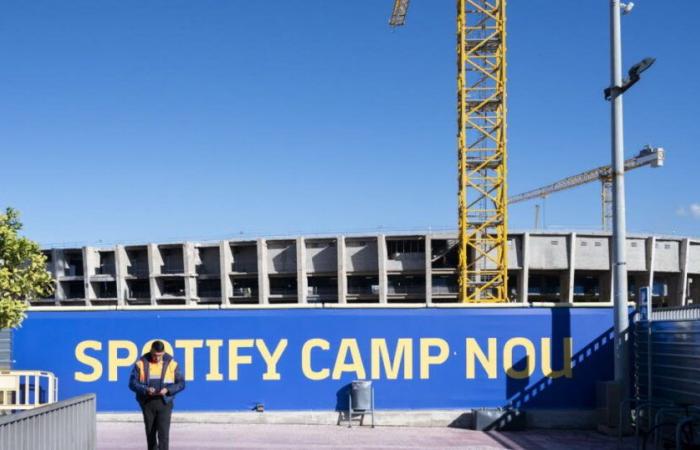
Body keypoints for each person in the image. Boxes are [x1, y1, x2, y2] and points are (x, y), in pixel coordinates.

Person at [129, 340, 185, 450]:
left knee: (163, 435)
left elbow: (181, 383)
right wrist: (145, 389)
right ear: (151, 351)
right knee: (150, 435)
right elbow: (132, 383)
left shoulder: (172, 364)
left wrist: (168, 390)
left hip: (164, 402)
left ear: (163, 353)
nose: (157, 358)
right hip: (147, 402)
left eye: (160, 355)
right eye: (155, 355)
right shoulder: (140, 363)